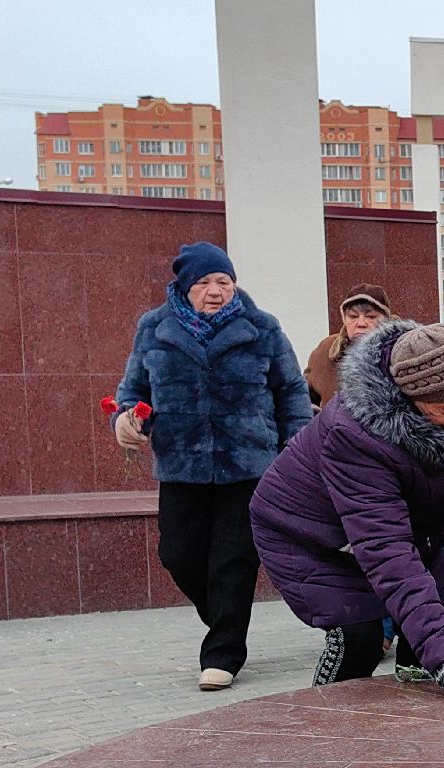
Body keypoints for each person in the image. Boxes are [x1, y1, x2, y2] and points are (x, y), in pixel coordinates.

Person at [251, 322, 444, 694]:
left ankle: (416, 731)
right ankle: (326, 722)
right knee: (359, 636)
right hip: (309, 535)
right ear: (409, 398)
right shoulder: (355, 434)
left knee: (441, 617)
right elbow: (386, 548)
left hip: (406, 530)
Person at [109, 241, 310, 692]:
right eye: (204, 283)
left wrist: (294, 449)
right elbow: (132, 392)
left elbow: (291, 393)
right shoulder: (154, 329)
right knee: (177, 555)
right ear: (184, 287)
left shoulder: (262, 328)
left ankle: (223, 652)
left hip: (249, 464)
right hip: (182, 464)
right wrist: (126, 419)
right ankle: (227, 617)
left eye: (223, 281)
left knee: (233, 560)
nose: (215, 291)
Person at [305, 283, 394, 408]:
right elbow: (302, 397)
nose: (361, 323)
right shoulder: (325, 351)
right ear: (344, 319)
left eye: (371, 317)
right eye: (353, 316)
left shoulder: (401, 353)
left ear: (386, 320)